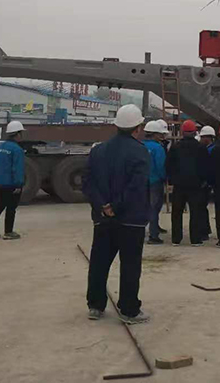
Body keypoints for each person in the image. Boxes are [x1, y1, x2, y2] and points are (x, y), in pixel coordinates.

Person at [82, 104, 151, 323]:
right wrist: (116, 206)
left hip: (103, 219)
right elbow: (136, 187)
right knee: (130, 265)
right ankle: (129, 310)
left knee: (99, 263)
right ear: (137, 127)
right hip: (131, 219)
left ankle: (95, 305)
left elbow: (88, 183)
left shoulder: (98, 150)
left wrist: (103, 206)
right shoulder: (140, 151)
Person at [166, 119, 209, 247]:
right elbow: (205, 166)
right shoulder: (201, 148)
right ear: (195, 132)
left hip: (179, 185)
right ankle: (195, 239)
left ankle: (176, 239)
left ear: (182, 132)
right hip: (195, 185)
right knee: (195, 212)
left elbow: (169, 165)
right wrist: (203, 180)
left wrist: (172, 180)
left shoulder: (175, 147)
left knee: (176, 212)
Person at [0, 121, 26, 240]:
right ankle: (8, 232)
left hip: (0, 183)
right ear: (17, 134)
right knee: (11, 208)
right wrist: (19, 184)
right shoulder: (17, 150)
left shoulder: (0, 147)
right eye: (21, 133)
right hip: (12, 184)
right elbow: (17, 169)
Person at [143, 120, 168, 245]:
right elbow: (161, 166)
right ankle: (153, 235)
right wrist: (165, 178)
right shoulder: (158, 148)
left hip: (141, 182)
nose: (161, 135)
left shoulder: (140, 145)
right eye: (159, 134)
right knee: (154, 207)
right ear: (154, 134)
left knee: (143, 207)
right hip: (155, 182)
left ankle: (142, 231)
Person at [198, 125, 217, 241]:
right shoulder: (210, 149)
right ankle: (206, 229)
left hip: (206, 182)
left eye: (202, 137)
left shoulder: (211, 150)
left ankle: (204, 231)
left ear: (208, 138)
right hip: (207, 182)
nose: (201, 139)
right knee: (202, 207)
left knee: (201, 206)